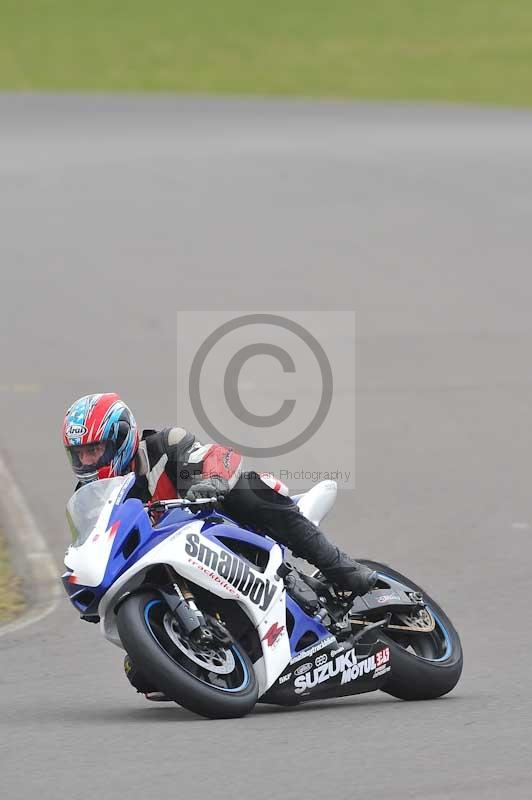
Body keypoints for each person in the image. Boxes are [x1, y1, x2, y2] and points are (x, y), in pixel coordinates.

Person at [63, 392, 376, 595]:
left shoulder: (163, 447)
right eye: (80, 454)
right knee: (142, 676)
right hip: (169, 568)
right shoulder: (92, 500)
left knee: (247, 489)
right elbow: (94, 550)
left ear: (120, 437)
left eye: (95, 449)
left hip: (221, 529)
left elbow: (213, 455)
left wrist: (211, 481)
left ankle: (344, 569)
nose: (87, 461)